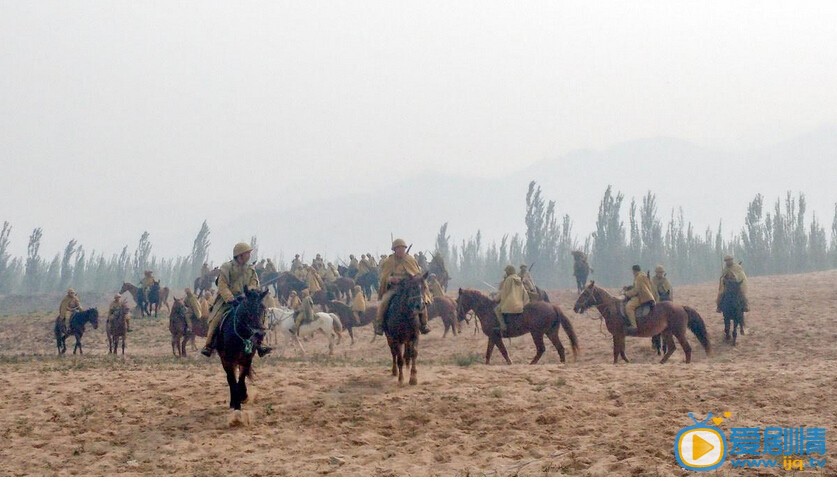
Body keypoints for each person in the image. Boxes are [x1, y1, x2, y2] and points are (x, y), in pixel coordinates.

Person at [201, 242, 272, 358]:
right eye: (247, 253)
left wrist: (249, 293)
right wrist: (231, 299)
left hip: (246, 299)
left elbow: (254, 283)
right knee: (216, 319)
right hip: (226, 301)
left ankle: (260, 344)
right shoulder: (226, 267)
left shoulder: (250, 269)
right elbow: (222, 285)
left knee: (259, 315)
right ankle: (208, 345)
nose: (249, 255)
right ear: (240, 255)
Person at [375, 238, 431, 335]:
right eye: (398, 248)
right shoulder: (389, 261)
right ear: (394, 249)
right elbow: (384, 276)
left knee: (421, 301)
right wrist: (391, 279)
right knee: (384, 301)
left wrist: (413, 278)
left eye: (403, 248)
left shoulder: (410, 260)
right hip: (395, 288)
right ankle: (379, 325)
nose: (401, 250)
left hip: (410, 287)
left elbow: (417, 273)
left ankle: (424, 324)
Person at [495, 265, 528, 334]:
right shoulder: (519, 279)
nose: (506, 273)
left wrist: (496, 298)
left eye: (506, 271)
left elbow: (504, 292)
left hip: (510, 304)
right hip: (519, 304)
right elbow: (524, 293)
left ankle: (503, 326)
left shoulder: (509, 279)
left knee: (497, 309)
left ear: (509, 271)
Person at [623, 264, 655, 335]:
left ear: (634, 271)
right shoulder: (641, 275)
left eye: (633, 271)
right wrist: (628, 287)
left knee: (629, 307)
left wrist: (627, 293)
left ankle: (634, 326)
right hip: (644, 295)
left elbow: (636, 290)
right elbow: (638, 286)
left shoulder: (639, 277)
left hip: (642, 297)